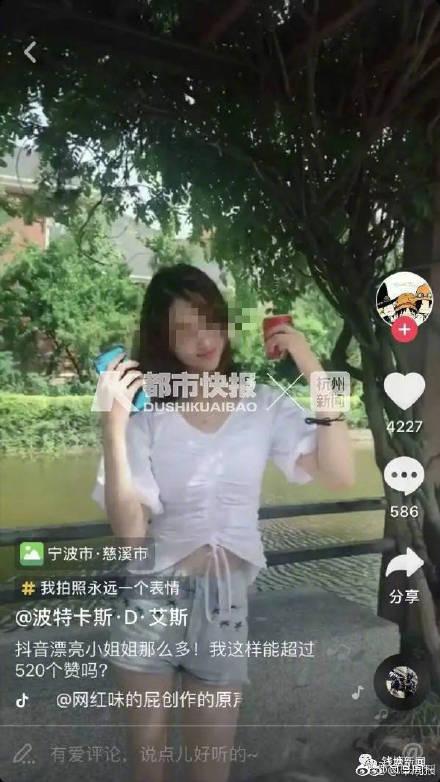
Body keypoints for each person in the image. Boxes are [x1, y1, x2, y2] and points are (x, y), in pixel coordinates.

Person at [91, 263, 355, 782]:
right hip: (151, 602)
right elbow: (131, 535)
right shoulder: (146, 414)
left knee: (210, 771)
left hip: (225, 607)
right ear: (163, 339)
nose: (204, 339)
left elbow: (339, 474)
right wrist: (112, 426)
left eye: (210, 320)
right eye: (184, 328)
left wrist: (312, 367)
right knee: (148, 768)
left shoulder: (262, 405)